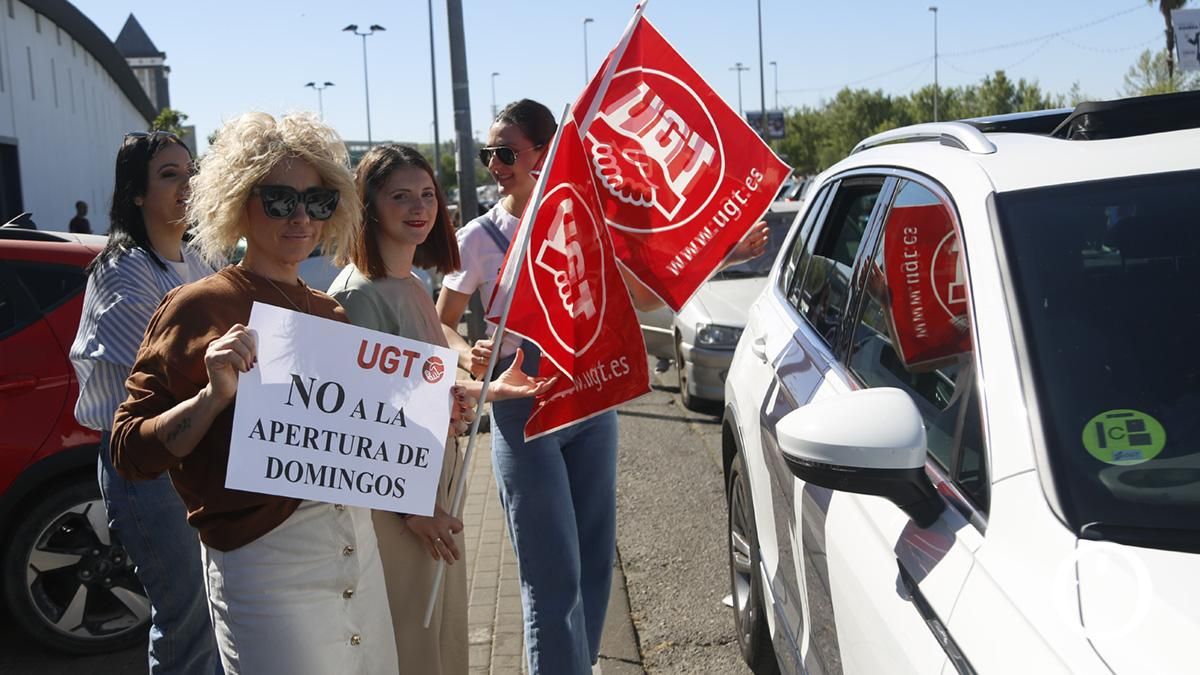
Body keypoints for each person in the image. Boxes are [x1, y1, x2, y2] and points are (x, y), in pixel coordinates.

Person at [436, 99, 769, 675]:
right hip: (525, 409)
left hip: (591, 401)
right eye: (488, 154)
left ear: (546, 151)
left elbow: (642, 297)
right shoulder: (480, 237)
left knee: (592, 566)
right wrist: (473, 354)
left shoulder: (584, 219)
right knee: (551, 576)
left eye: (507, 152)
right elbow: (443, 322)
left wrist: (722, 253)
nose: (495, 164)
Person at [109, 112, 409, 675]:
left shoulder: (329, 312)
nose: (301, 216)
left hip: (355, 549)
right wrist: (211, 397)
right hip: (265, 564)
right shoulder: (199, 306)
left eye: (319, 202)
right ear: (239, 201)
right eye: (279, 199)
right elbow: (129, 451)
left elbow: (359, 434)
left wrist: (448, 404)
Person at [328, 144, 555, 675]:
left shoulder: (410, 284)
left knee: (440, 638)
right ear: (369, 205)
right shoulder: (359, 296)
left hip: (434, 488)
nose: (419, 208)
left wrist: (490, 391)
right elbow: (358, 423)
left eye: (427, 194)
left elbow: (418, 397)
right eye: (400, 196)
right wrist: (411, 510)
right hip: (402, 506)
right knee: (411, 644)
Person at [68, 130, 220, 675]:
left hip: (194, 459)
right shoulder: (123, 271)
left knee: (210, 611)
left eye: (190, 171)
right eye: (169, 175)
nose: (187, 184)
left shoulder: (199, 258)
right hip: (147, 471)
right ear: (136, 193)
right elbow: (168, 378)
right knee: (186, 617)